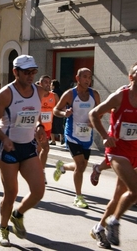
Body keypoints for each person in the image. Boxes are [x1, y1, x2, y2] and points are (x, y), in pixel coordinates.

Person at [89, 62, 137, 249]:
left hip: (135, 153)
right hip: (116, 150)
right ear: (131, 77)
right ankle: (115, 221)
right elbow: (93, 114)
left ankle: (99, 228)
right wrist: (105, 137)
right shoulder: (120, 97)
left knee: (118, 197)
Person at [0, 54, 46, 246]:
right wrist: (4, 138)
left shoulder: (39, 91)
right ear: (15, 72)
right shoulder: (6, 94)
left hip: (28, 146)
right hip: (9, 147)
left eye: (33, 72)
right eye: (26, 72)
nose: (31, 76)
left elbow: (36, 117)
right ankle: (3, 229)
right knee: (11, 192)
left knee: (38, 191)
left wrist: (39, 127)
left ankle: (17, 214)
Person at [52, 68, 101, 209]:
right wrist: (64, 113)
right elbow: (56, 110)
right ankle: (78, 196)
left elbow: (100, 111)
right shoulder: (70, 94)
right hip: (72, 135)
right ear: (77, 78)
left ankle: (61, 167)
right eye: (84, 77)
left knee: (81, 166)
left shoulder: (95, 94)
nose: (87, 80)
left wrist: (94, 121)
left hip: (87, 136)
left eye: (90, 77)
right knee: (80, 166)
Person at [37, 75, 59, 184]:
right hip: (36, 128)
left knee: (40, 150)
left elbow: (60, 108)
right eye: (45, 82)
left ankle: (38, 171)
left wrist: (66, 112)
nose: (47, 84)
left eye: (49, 82)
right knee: (44, 148)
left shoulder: (54, 96)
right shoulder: (36, 95)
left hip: (48, 128)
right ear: (40, 84)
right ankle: (40, 173)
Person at [50, 79, 65, 147]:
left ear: (53, 86)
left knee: (52, 125)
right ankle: (62, 137)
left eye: (51, 85)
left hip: (53, 110)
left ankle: (53, 141)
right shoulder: (62, 92)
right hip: (61, 110)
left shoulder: (52, 93)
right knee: (60, 124)